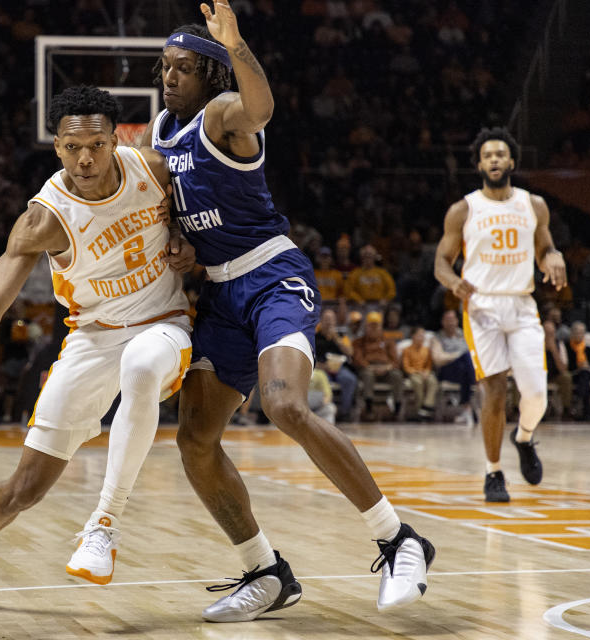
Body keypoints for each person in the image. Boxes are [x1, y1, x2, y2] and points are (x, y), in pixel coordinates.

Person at [133, 6, 434, 620]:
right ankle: (266, 572)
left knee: (286, 405)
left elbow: (260, 109)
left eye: (183, 69)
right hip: (219, 294)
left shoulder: (221, 116)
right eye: (164, 68)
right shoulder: (157, 134)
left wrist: (237, 45)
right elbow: (167, 209)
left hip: (273, 277)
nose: (169, 78)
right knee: (194, 440)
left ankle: (399, 538)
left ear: (211, 77)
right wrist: (180, 243)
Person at [0, 86, 193, 611]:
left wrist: (190, 243)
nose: (85, 158)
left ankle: (104, 523)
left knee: (143, 366)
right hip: (93, 339)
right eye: (73, 147)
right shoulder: (45, 218)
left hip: (163, 322)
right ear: (56, 145)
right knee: (24, 487)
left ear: (114, 141)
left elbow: (207, 215)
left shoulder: (153, 169)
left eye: (97, 145)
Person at [434, 127, 567, 502]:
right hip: (482, 306)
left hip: (522, 303)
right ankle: (493, 472)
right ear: (479, 164)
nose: (494, 160)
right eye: (487, 155)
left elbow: (546, 249)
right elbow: (441, 263)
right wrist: (452, 283)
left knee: (536, 394)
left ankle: (523, 437)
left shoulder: (533, 205)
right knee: (494, 390)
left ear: (511, 161)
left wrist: (553, 256)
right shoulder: (464, 209)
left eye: (500, 154)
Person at [353, 311, 405, 420]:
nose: (373, 329)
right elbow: (357, 359)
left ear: (381, 327)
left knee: (397, 375)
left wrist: (387, 367)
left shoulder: (388, 341)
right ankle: (369, 408)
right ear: (366, 327)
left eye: (376, 326)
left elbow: (395, 360)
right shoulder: (359, 342)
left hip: (386, 368)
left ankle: (397, 408)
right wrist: (369, 366)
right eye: (371, 326)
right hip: (368, 368)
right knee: (368, 375)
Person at [430, 309, 476, 426]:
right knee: (465, 358)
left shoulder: (464, 335)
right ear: (443, 322)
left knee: (464, 367)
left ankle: (467, 409)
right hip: (446, 371)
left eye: (452, 319)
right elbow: (438, 359)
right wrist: (457, 356)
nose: (450, 323)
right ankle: (478, 384)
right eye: (448, 320)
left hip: (463, 369)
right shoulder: (437, 337)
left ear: (457, 321)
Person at [402, 327, 437, 421]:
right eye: (419, 335)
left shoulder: (426, 350)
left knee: (432, 381)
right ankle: (420, 409)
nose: (422, 338)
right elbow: (406, 367)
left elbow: (429, 365)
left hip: (425, 373)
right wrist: (418, 372)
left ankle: (427, 406)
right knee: (418, 383)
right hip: (413, 373)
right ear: (413, 336)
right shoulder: (407, 350)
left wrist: (426, 372)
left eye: (423, 336)